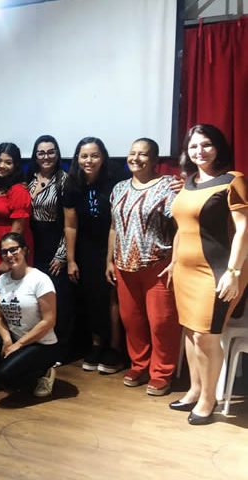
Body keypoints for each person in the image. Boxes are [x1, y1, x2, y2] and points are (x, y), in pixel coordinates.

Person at [166, 124, 247, 425]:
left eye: (206, 145)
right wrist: (174, 261)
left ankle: (208, 399)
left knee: (206, 337)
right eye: (193, 146)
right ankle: (194, 390)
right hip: (184, 271)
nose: (199, 151)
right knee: (190, 331)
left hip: (215, 271)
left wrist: (234, 272)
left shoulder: (233, 180)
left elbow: (243, 229)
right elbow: (182, 227)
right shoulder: (188, 183)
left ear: (218, 147)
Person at [105, 138, 181, 396]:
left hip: (157, 265)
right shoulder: (119, 188)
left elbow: (181, 227)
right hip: (124, 266)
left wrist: (176, 260)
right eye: (132, 153)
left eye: (143, 154)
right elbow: (114, 227)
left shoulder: (169, 186)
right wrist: (109, 260)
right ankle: (139, 366)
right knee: (132, 321)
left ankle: (161, 373)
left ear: (155, 159)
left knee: (162, 323)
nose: (136, 158)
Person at [63, 137, 124, 373]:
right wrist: (71, 259)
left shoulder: (115, 179)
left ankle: (115, 347)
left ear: (103, 157)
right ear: (77, 159)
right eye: (84, 156)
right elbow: (70, 225)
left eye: (94, 155)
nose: (89, 160)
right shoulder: (72, 184)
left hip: (113, 244)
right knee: (91, 297)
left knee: (112, 296)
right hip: (85, 248)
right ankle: (97, 344)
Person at [0, 232, 59, 397]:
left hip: (41, 344)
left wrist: (19, 345)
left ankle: (44, 371)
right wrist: (7, 340)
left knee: (4, 377)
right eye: (4, 252)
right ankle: (14, 364)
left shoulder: (40, 280)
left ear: (25, 250)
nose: (9, 255)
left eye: (13, 250)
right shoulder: (1, 281)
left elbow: (49, 321)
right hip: (14, 338)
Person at [26, 135, 73, 359]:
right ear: (35, 156)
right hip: (32, 243)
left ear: (57, 153)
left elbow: (69, 223)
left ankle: (60, 349)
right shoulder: (28, 179)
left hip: (55, 243)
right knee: (35, 298)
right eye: (41, 152)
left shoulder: (64, 180)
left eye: (51, 152)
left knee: (57, 297)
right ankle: (38, 345)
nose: (46, 156)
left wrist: (62, 255)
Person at [0, 142, 33, 335]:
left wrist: (8, 257)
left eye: (8, 162)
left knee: (13, 293)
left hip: (11, 245)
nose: (2, 166)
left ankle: (16, 339)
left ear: (16, 165)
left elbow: (19, 226)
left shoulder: (18, 189)